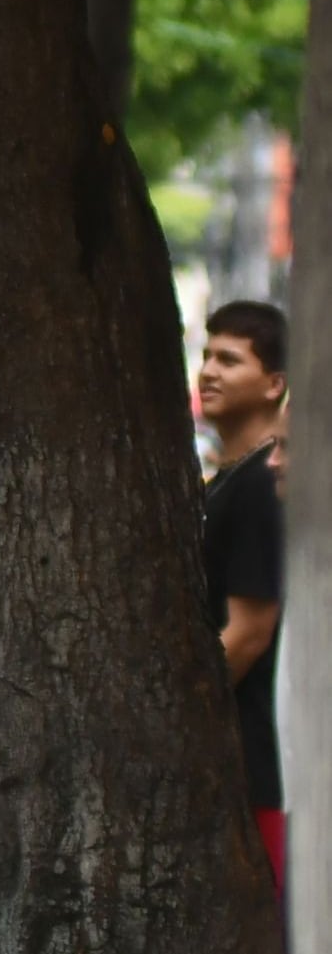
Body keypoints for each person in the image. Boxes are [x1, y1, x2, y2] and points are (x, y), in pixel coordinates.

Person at [200, 301, 288, 874]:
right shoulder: (230, 478)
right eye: (207, 356)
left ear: (273, 383)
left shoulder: (262, 484)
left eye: (229, 360)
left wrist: (179, 711)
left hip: (249, 767)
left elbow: (251, 631)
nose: (208, 370)